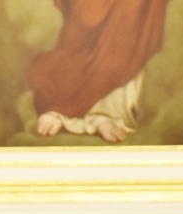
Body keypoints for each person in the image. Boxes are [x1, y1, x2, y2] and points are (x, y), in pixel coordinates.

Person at [30, 0, 170, 142]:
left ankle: (102, 114)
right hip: (77, 54)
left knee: (125, 28)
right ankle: (75, 113)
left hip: (118, 72)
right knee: (57, 73)